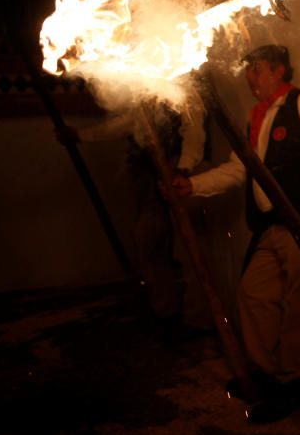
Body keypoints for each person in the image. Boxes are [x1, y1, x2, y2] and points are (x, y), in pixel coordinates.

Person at [172, 44, 300, 422]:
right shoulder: (256, 116)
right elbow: (240, 169)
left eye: (257, 70)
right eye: (249, 70)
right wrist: (194, 186)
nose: (250, 78)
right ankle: (266, 373)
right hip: (271, 226)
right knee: (253, 292)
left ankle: (292, 383)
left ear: (279, 71)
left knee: (299, 305)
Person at [56, 84, 211, 339]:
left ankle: (200, 319)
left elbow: (194, 132)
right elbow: (128, 123)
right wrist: (81, 135)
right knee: (148, 241)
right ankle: (165, 312)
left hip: (181, 173)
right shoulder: (145, 91)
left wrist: (182, 169)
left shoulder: (185, 88)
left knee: (191, 246)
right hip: (148, 174)